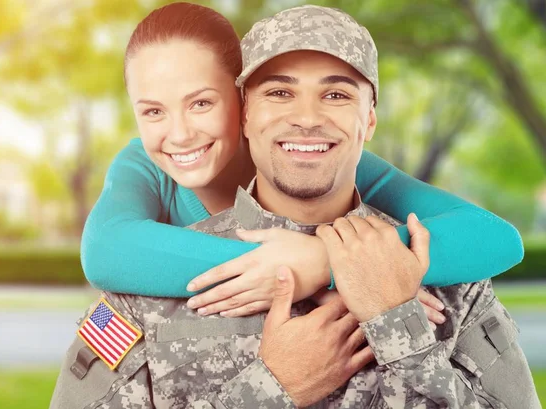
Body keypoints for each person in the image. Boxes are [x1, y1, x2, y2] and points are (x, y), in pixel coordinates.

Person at [50, 5, 539, 408]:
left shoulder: (458, 290)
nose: (307, 117)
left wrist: (397, 326)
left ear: (369, 121)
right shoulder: (142, 294)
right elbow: (104, 247)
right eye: (280, 92)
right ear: (246, 114)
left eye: (335, 93)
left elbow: (494, 235)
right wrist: (268, 389)